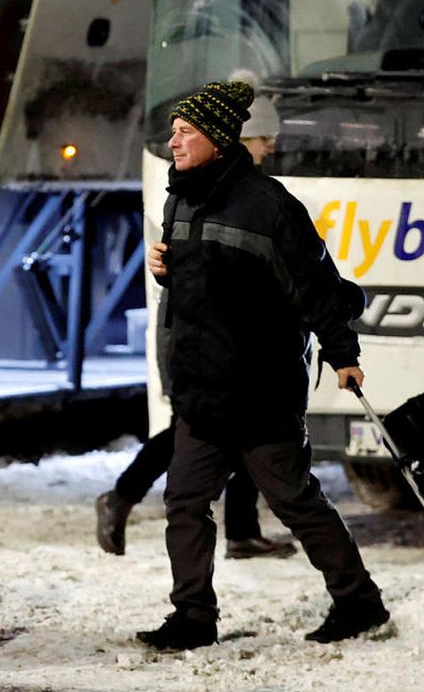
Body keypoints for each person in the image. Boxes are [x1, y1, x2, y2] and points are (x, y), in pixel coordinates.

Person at [137, 79, 391, 651]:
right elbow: (194, 288)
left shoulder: (271, 206)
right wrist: (163, 270)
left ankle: (360, 604)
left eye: (185, 132)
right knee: (184, 501)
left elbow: (318, 289)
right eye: (173, 132)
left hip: (260, 392)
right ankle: (194, 617)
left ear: (219, 140)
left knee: (295, 501)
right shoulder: (180, 199)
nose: (174, 142)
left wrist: (343, 354)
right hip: (202, 390)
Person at [95, 90, 298, 561]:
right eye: (263, 139)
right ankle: (122, 494)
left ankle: (243, 532)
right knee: (196, 427)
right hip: (198, 338)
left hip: (226, 341)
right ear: (238, 138)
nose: (268, 149)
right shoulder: (202, 191)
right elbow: (187, 267)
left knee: (239, 422)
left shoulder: (240, 193)